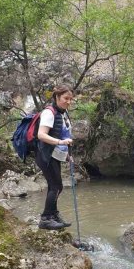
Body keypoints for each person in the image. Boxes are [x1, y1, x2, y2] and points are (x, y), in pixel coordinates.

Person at [34, 86, 76, 231]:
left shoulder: (63, 113)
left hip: (55, 155)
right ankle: (46, 219)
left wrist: (67, 156)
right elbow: (41, 135)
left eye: (70, 99)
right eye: (66, 98)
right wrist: (60, 142)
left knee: (57, 186)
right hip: (45, 155)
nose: (68, 102)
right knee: (55, 186)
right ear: (57, 98)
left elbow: (62, 134)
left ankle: (53, 215)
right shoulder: (49, 112)